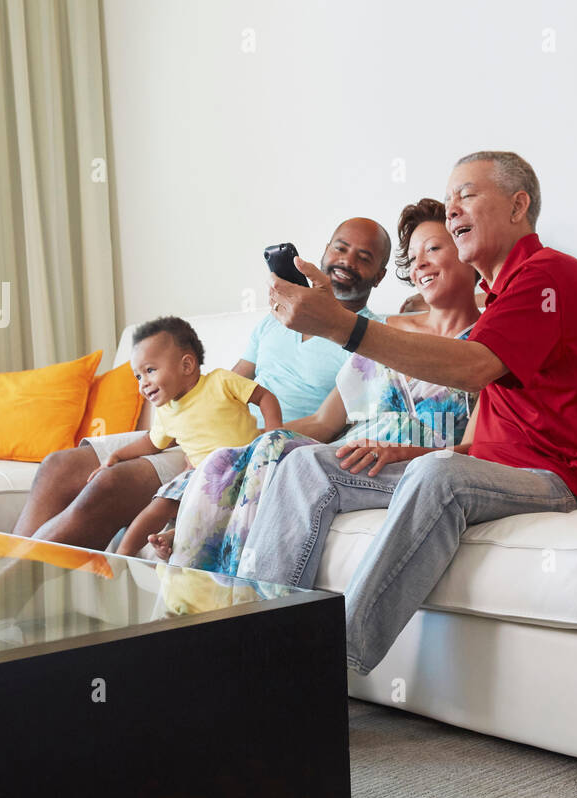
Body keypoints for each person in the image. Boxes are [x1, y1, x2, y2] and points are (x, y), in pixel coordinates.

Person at [239, 151, 577, 676]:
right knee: (308, 465)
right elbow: (482, 444)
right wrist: (415, 450)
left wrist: (342, 326)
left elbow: (472, 368)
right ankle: (253, 646)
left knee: (438, 474)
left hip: (559, 479)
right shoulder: (499, 297)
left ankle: (321, 672)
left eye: (466, 195)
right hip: (484, 468)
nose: (452, 211)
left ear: (519, 205)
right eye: (448, 203)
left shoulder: (549, 277)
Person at [11, 218, 391, 550]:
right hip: (200, 429)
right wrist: (187, 417)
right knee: (58, 466)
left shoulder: (370, 340)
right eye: (341, 249)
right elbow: (229, 381)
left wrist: (245, 438)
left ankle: (7, 588)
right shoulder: (277, 320)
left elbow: (325, 423)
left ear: (379, 275)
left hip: (244, 449)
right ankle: (0, 586)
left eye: (364, 257)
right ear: (323, 253)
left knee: (107, 486)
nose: (347, 261)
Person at [150, 200, 481, 576]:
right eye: (415, 255)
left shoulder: (485, 346)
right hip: (350, 449)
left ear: (470, 254)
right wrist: (244, 441)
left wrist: (402, 451)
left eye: (434, 249)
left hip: (407, 460)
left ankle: (231, 599)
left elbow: (479, 447)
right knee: (242, 451)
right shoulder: (387, 333)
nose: (419, 263)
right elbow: (326, 422)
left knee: (283, 457)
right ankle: (191, 595)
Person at [110, 317, 282, 556]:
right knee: (161, 503)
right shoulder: (165, 411)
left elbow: (264, 397)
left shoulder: (220, 381)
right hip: (202, 477)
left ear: (187, 365)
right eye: (138, 376)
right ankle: (120, 556)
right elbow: (151, 442)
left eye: (150, 371)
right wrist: (118, 454)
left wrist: (273, 437)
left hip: (246, 468)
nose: (143, 384)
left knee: (230, 514)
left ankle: (174, 535)